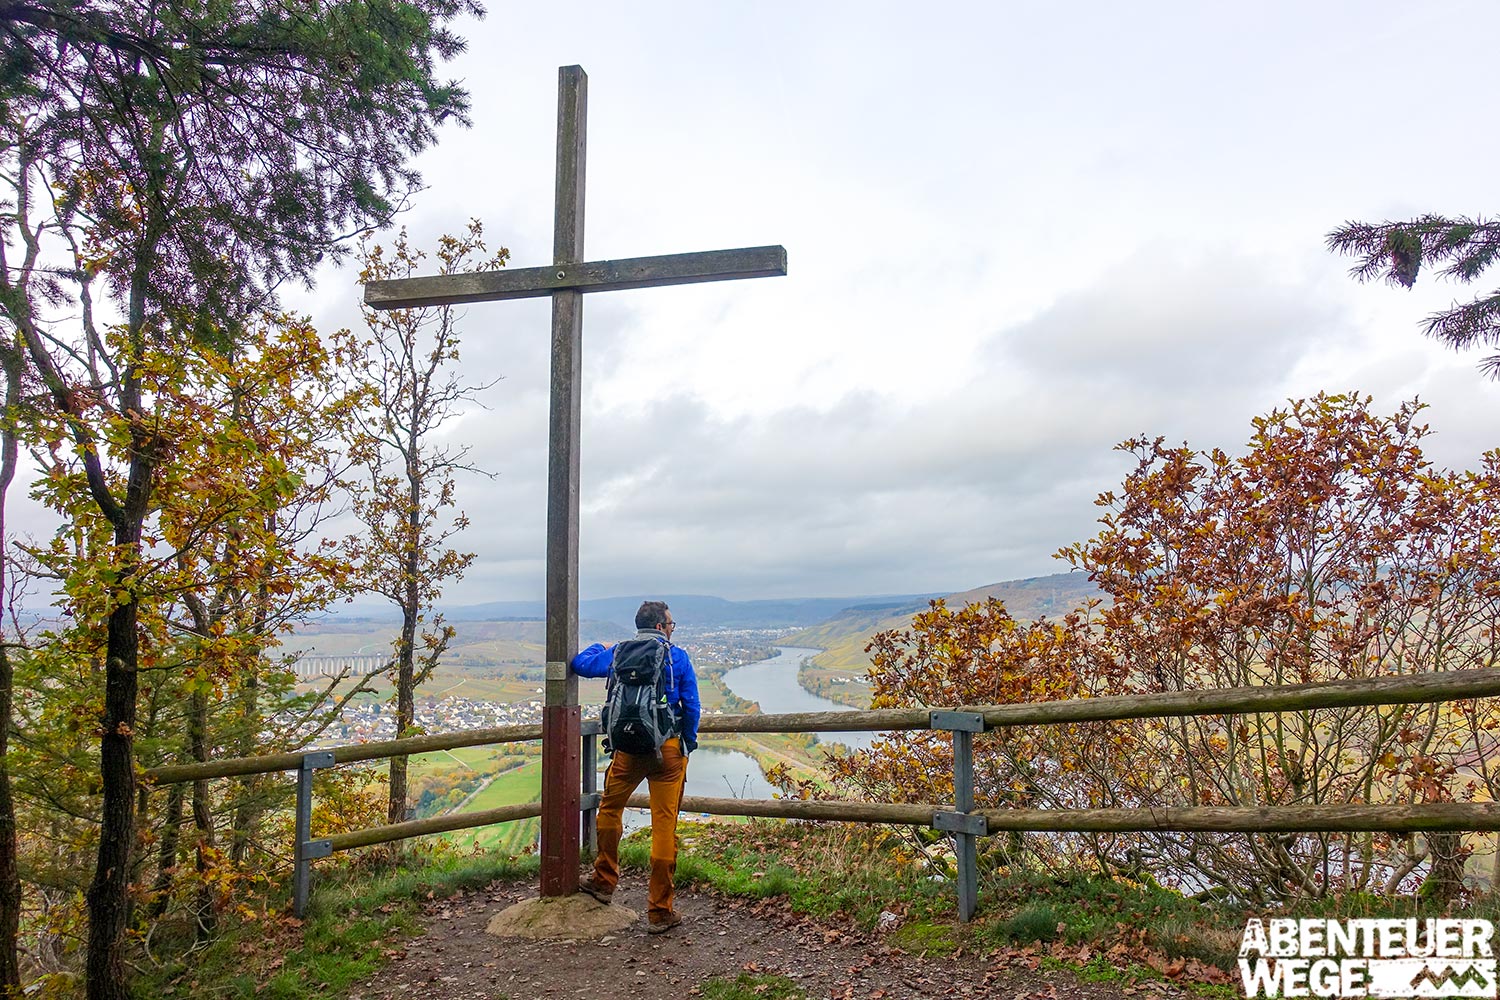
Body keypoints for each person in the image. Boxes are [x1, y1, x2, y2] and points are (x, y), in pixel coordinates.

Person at [570, 599, 701, 933]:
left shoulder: (619, 654)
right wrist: (686, 743)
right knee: (663, 825)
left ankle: (603, 881)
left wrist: (602, 645)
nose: (672, 629)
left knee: (610, 810)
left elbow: (580, 664)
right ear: (659, 626)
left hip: (627, 749)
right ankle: (659, 911)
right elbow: (693, 707)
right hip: (668, 751)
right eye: (670, 624)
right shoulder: (677, 657)